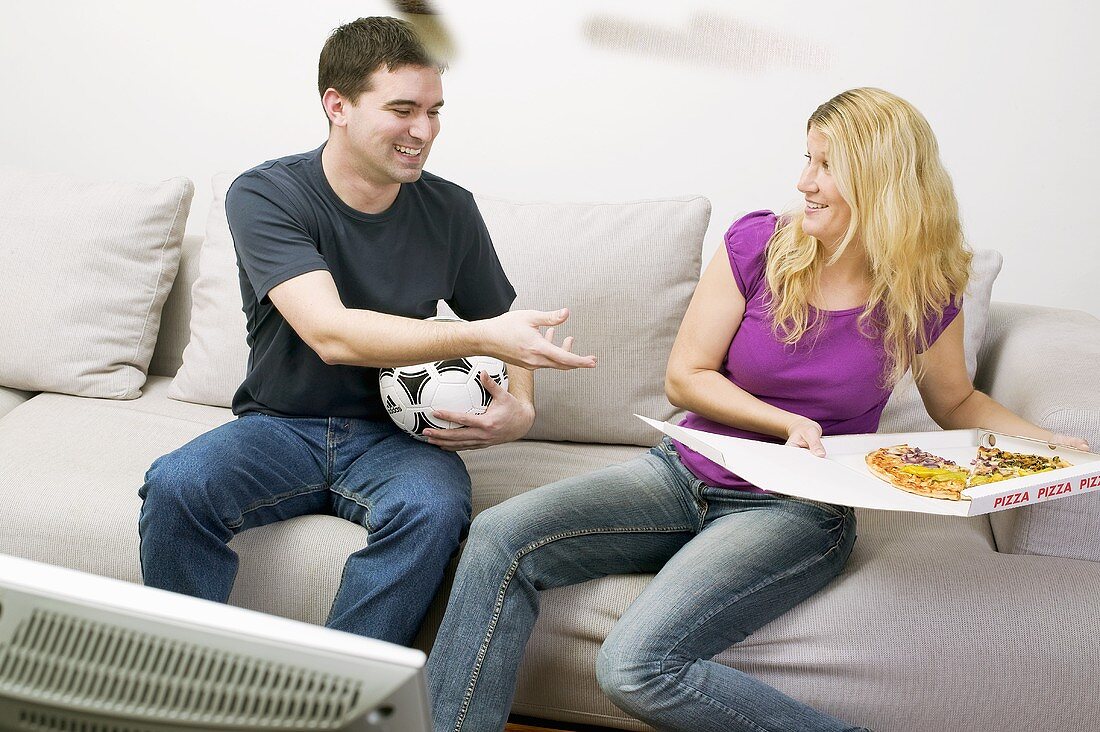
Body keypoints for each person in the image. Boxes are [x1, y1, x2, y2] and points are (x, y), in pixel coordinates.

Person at [425, 87, 1089, 732]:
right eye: (806, 158)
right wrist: (784, 422)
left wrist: (1055, 445)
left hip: (794, 508)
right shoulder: (758, 245)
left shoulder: (926, 287)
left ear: (880, 179)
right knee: (499, 537)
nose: (805, 181)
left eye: (826, 164)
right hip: (681, 473)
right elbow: (687, 378)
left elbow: (957, 400)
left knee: (636, 667)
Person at [137, 16, 595, 647]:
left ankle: (342, 694)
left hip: (400, 438)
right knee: (177, 485)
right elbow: (332, 334)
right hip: (280, 425)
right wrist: (483, 339)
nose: (424, 131)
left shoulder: (451, 209)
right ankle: (184, 682)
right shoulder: (266, 193)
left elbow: (505, 324)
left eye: (435, 111)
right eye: (403, 109)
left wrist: (520, 411)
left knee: (433, 511)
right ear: (338, 106)